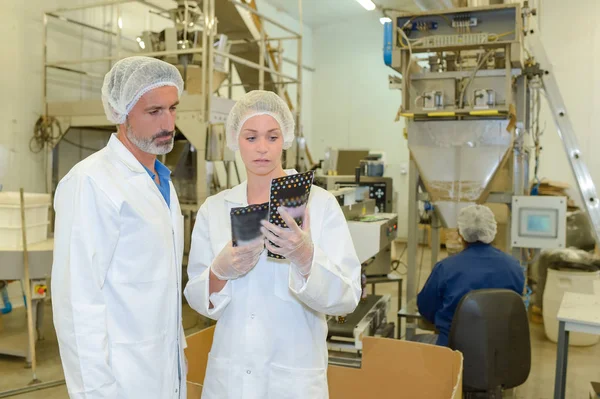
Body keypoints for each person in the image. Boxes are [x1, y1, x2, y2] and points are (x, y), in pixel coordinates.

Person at [184, 90, 361, 399]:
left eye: (272, 137)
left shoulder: (320, 204)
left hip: (293, 379)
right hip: (230, 381)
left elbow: (347, 297)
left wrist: (306, 257)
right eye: (251, 138)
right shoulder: (214, 209)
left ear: (285, 140)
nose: (262, 148)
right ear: (235, 140)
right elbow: (197, 298)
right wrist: (219, 272)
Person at [52, 56, 187, 398]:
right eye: (154, 111)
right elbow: (77, 302)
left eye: (173, 108)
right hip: (120, 379)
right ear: (121, 113)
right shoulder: (91, 182)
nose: (168, 123)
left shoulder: (163, 181)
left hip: (164, 370)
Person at [416, 204, 525, 346]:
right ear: (493, 230)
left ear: (461, 234)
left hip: (453, 354)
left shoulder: (445, 268)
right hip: (499, 353)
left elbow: (426, 309)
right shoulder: (514, 268)